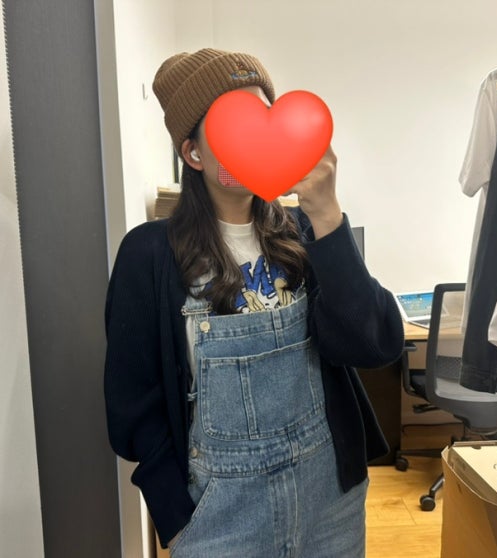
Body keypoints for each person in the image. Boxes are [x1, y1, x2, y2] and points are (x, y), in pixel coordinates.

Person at [104, 48, 404, 557]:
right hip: (219, 516)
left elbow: (376, 344)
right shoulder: (150, 255)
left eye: (264, 120)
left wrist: (327, 215)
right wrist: (177, 520)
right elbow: (132, 405)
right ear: (194, 155)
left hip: (329, 503)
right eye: (235, 126)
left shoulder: (305, 231)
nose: (258, 139)